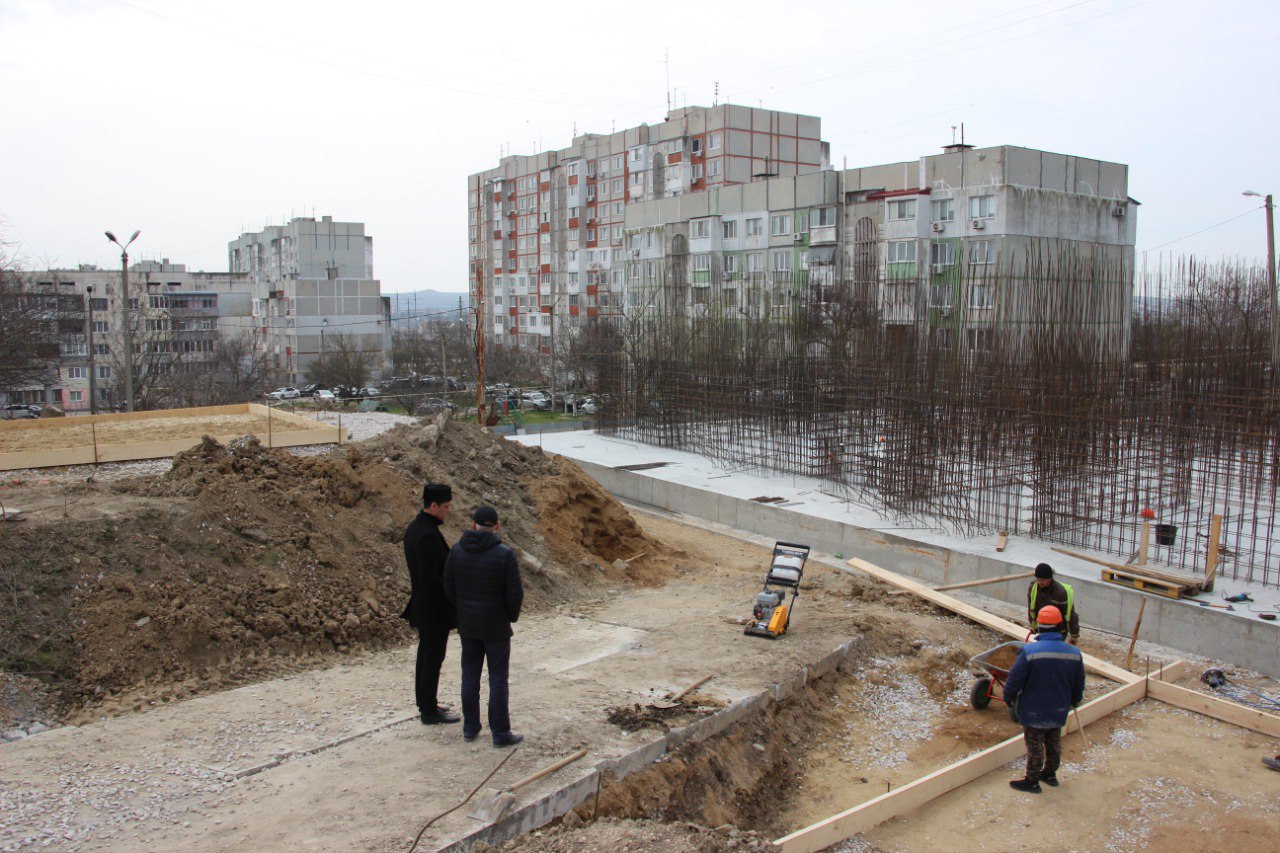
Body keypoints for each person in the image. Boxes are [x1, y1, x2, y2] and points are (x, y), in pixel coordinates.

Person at [443, 505, 525, 747]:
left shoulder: (457, 551)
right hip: (496, 627)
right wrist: (509, 616)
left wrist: (463, 610)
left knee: (469, 675)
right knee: (498, 679)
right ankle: (500, 733)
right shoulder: (504, 554)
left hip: (468, 625)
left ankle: (470, 727)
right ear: (496, 526)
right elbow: (515, 593)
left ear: (472, 525)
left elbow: (448, 587)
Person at [1003, 605, 1085, 793]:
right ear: (1059, 626)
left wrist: (1009, 698)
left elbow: (1015, 678)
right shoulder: (1073, 653)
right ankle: (1050, 774)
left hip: (1034, 708)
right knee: (1053, 742)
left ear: (1040, 626)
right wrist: (1074, 700)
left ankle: (1032, 781)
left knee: (1035, 745)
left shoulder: (1030, 652)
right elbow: (1078, 682)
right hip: (1058, 707)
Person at [401, 483, 460, 725]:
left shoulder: (417, 528)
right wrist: (452, 594)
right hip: (433, 610)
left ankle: (426, 703)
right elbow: (430, 580)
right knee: (432, 658)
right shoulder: (426, 535)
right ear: (433, 505)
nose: (448, 511)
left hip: (426, 607)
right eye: (445, 507)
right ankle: (428, 709)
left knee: (427, 656)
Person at [1027, 563, 1080, 645]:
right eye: (1038, 579)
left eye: (1043, 580)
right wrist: (1033, 625)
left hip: (1058, 631)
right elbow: (1031, 608)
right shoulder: (1033, 588)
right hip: (1043, 628)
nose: (1040, 582)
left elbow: (1070, 614)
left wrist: (1074, 634)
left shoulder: (1060, 592)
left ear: (1050, 578)